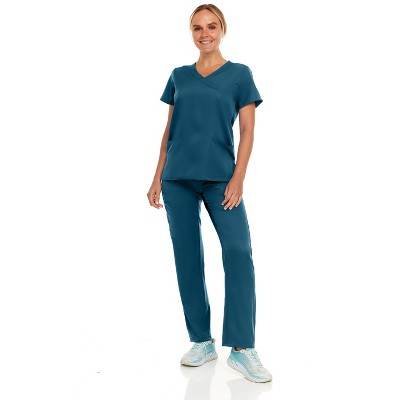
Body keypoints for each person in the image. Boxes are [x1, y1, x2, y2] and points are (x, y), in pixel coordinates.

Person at [147, 4, 272, 383]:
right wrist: (156, 176)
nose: (205, 34)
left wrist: (239, 177)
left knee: (238, 251)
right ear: (191, 33)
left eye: (212, 27)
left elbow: (248, 131)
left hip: (221, 178)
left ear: (223, 30)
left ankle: (242, 348)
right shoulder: (179, 76)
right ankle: (201, 341)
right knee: (187, 257)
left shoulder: (239, 75)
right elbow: (169, 131)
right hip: (177, 178)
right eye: (198, 28)